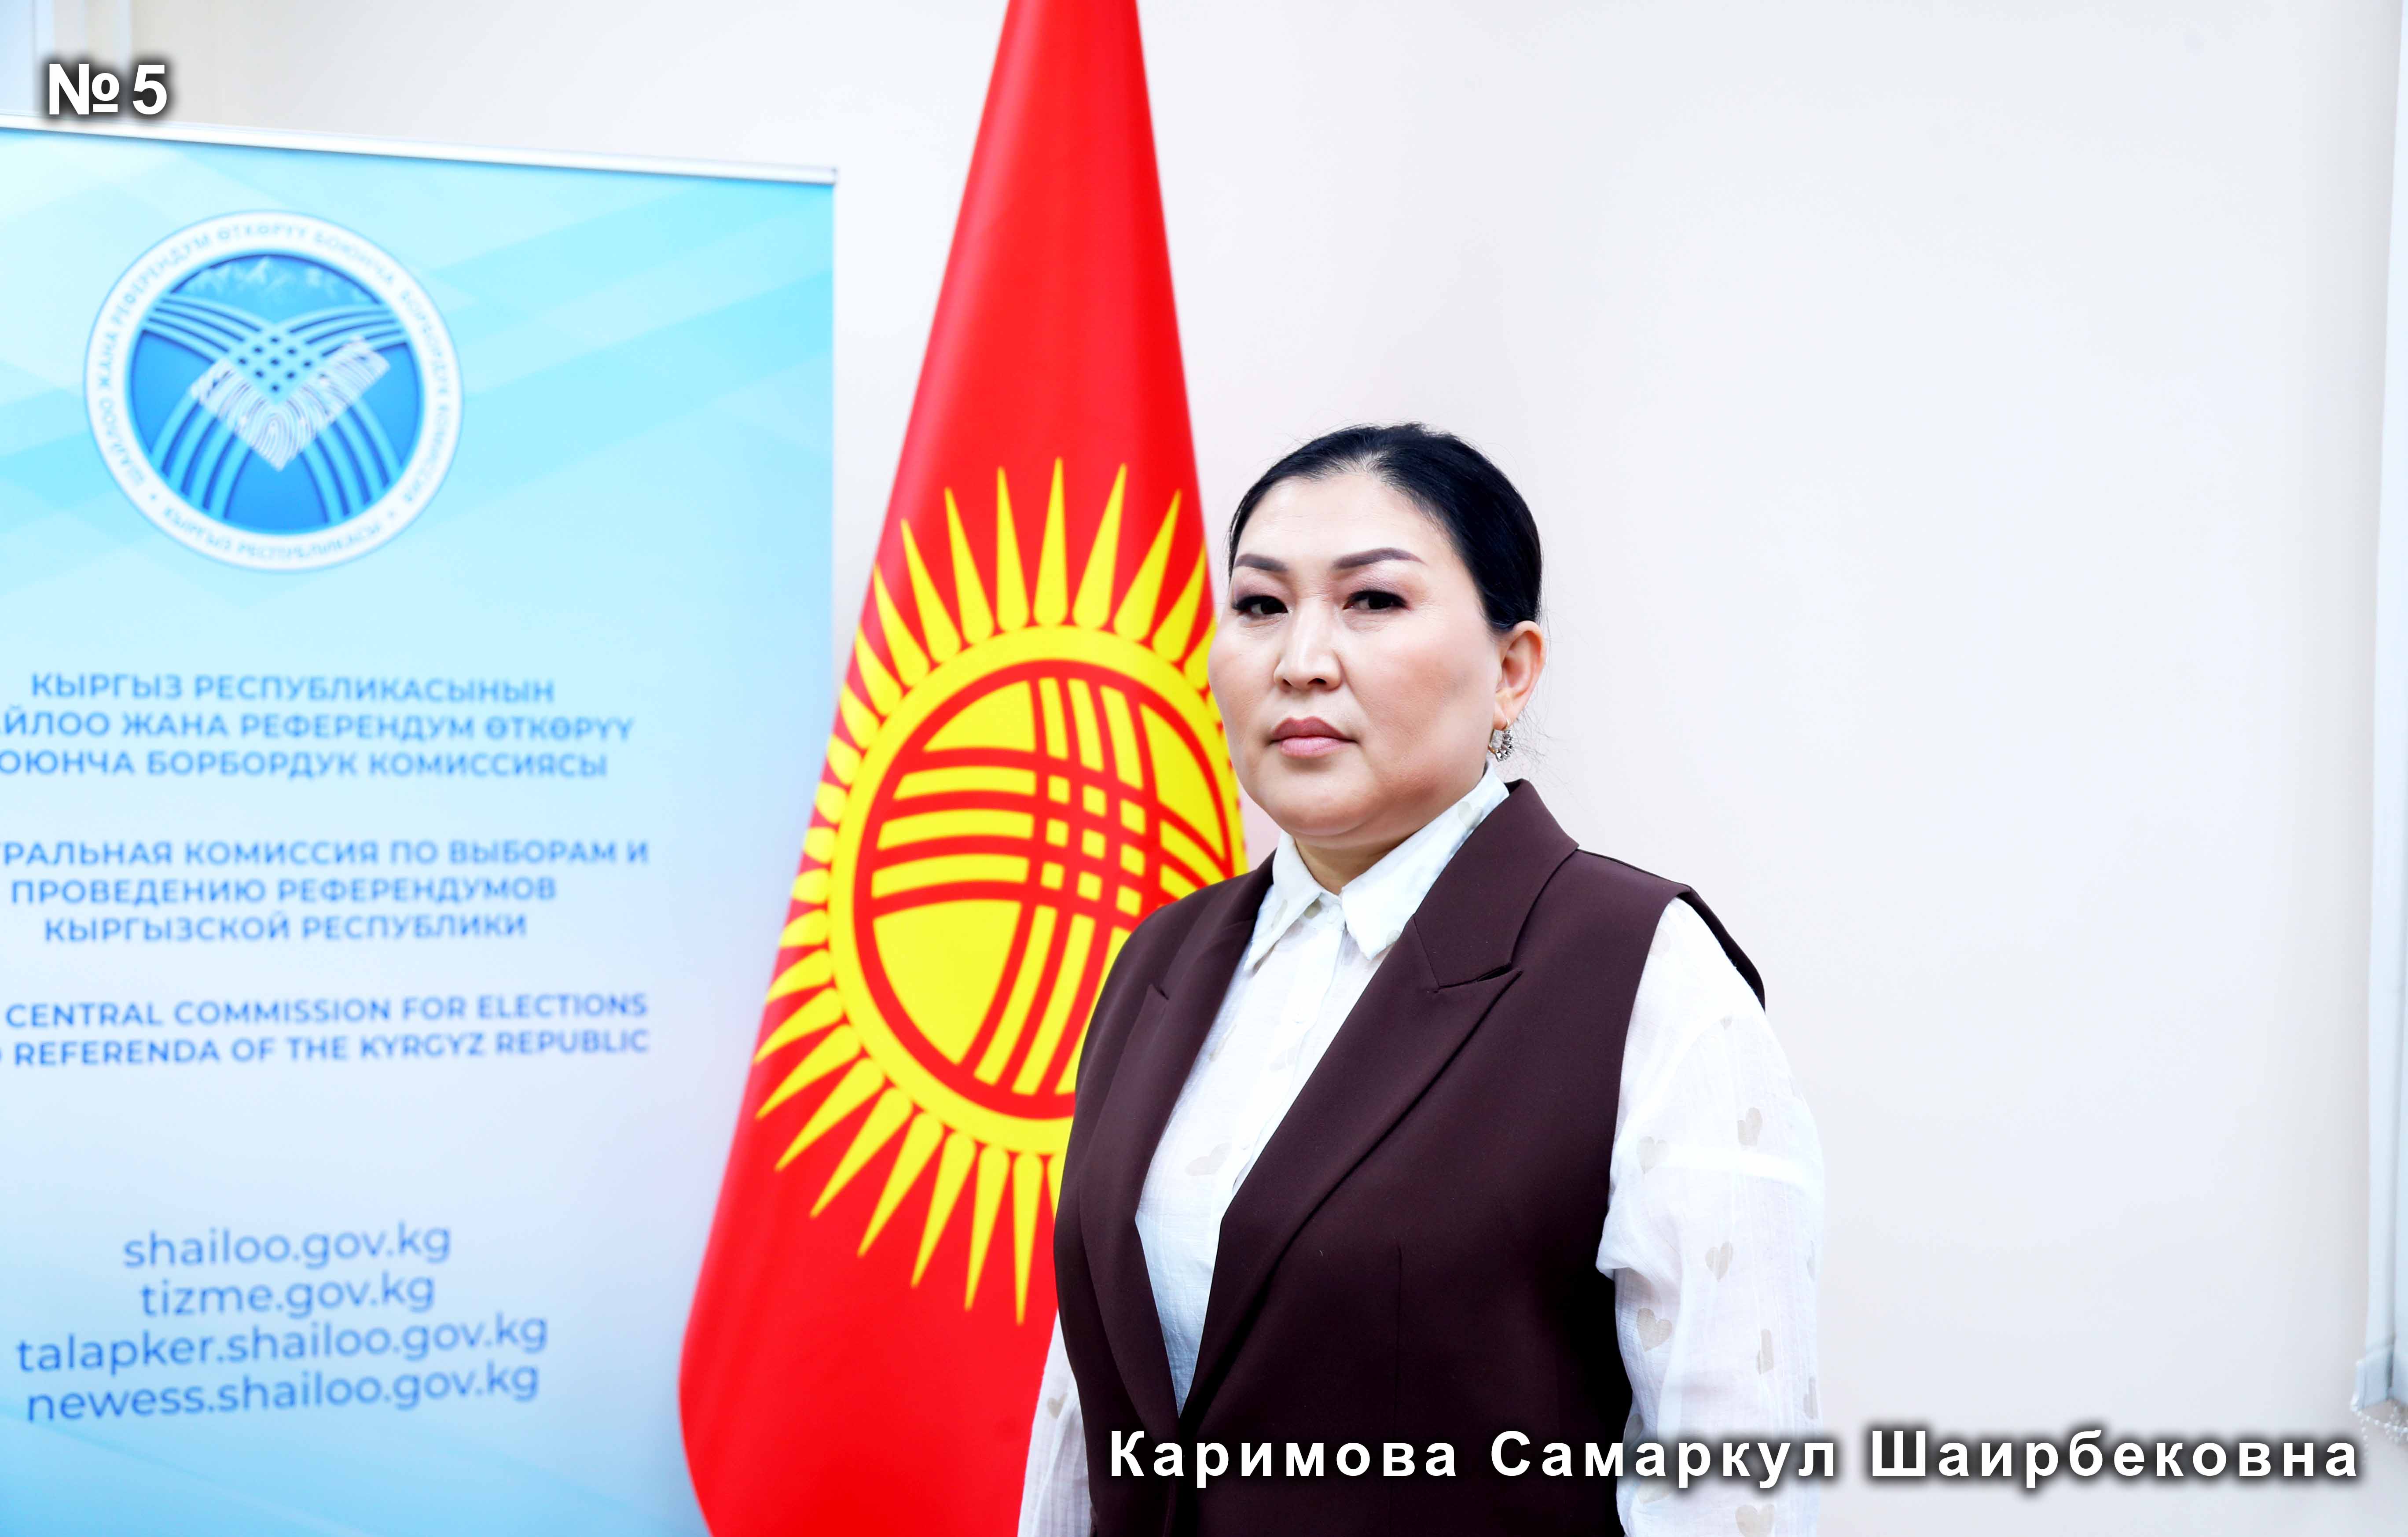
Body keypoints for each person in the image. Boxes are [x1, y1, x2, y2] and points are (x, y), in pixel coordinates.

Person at [1017, 424, 1822, 1535]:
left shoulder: (1640, 970)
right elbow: (1085, 1408)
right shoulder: (1160, 960)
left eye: (1373, 601)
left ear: (1512, 671)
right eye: (1260, 605)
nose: (1302, 658)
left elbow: (1736, 1487)